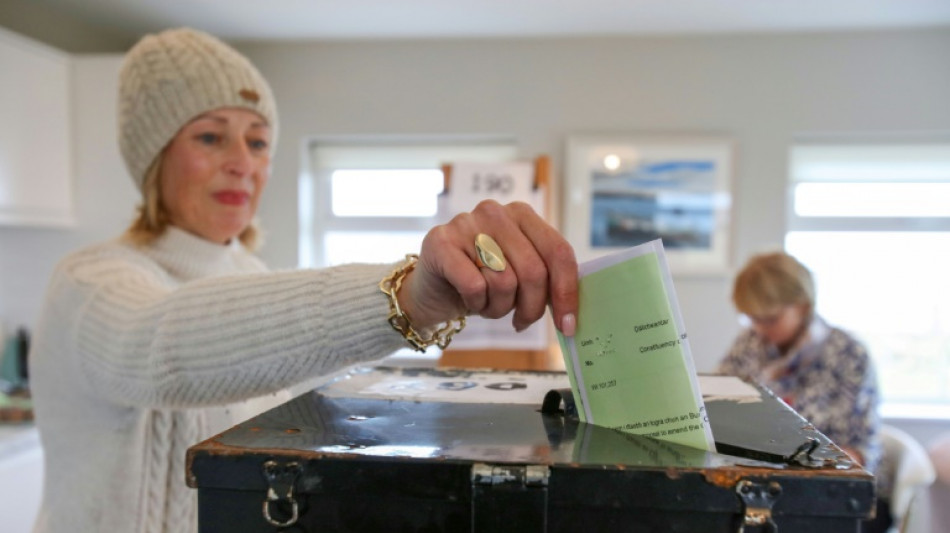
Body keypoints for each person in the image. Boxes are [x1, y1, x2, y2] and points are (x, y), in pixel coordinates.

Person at [28, 28, 578, 533]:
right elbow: (158, 345)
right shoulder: (90, 282)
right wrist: (408, 294)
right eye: (211, 138)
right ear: (154, 157)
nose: (243, 162)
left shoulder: (251, 277)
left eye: (258, 141)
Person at [716, 251, 888, 530]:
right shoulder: (747, 345)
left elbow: (863, 451)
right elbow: (715, 409)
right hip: (755, 487)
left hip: (831, 494)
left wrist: (803, 466)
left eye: (770, 319)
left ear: (803, 306)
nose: (759, 329)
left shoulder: (848, 354)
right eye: (752, 318)